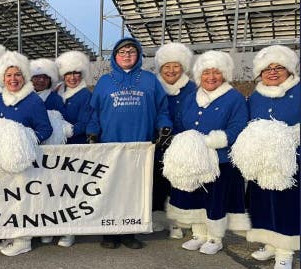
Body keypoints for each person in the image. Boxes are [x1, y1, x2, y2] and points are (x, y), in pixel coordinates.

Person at [86, 37, 171, 250]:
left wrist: (164, 127)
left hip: (140, 146)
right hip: (111, 146)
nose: (127, 56)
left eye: (131, 52)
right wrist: (92, 132)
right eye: (122, 52)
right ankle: (109, 233)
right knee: (110, 189)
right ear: (115, 56)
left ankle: (129, 232)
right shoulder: (105, 81)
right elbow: (95, 112)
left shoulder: (150, 80)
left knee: (135, 190)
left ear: (138, 55)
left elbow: (162, 109)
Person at [166, 50, 250, 255]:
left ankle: (215, 237)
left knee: (216, 199)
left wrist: (213, 141)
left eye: (216, 72)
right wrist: (183, 142)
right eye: (206, 73)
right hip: (193, 159)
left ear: (224, 75)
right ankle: (199, 233)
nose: (211, 77)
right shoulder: (191, 97)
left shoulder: (234, 98)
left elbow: (238, 127)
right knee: (195, 196)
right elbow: (179, 122)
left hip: (220, 160)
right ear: (199, 75)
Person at [0, 51, 53, 256]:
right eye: (8, 75)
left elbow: (45, 129)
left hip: (24, 161)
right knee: (5, 199)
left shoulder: (33, 101)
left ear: (24, 77)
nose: (13, 79)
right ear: (2, 78)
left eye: (17, 75)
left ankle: (24, 239)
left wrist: (22, 139)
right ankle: (10, 233)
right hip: (1, 161)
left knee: (23, 200)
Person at [245, 45, 299, 269]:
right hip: (262, 159)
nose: (273, 72)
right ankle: (269, 242)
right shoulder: (256, 95)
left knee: (287, 203)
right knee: (261, 201)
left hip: (291, 159)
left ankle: (285, 251)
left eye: (279, 68)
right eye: (267, 69)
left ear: (289, 70)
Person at [153, 42, 197, 240]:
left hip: (182, 145)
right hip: (158, 143)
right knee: (157, 182)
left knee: (179, 184)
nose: (171, 70)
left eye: (176, 66)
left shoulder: (193, 89)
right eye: (166, 66)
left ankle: (179, 222)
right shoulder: (153, 87)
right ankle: (157, 218)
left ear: (183, 67)